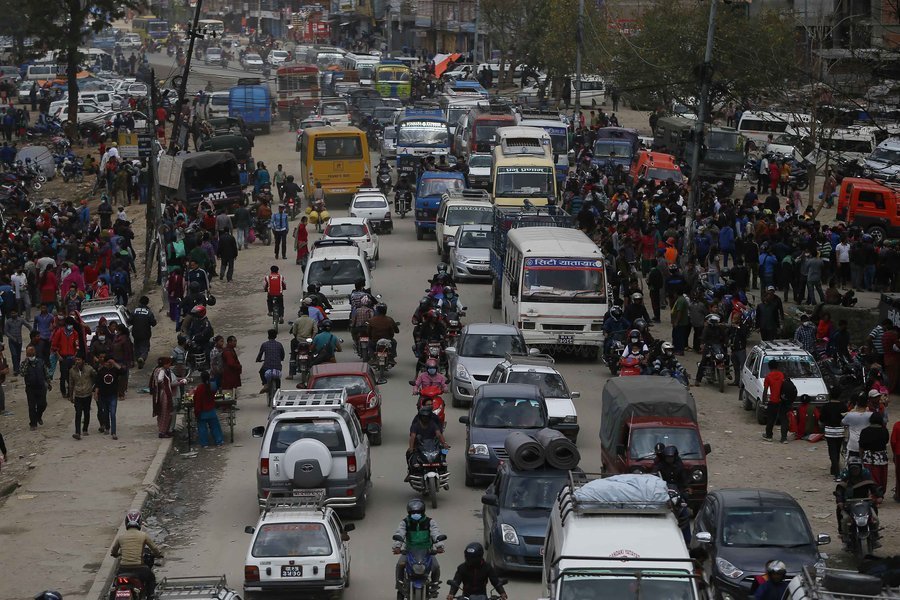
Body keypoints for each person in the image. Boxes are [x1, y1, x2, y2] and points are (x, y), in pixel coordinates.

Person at [393, 498, 445, 591]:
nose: (415, 514)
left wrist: (439, 546)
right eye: (413, 512)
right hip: (409, 551)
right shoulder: (405, 522)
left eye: (418, 512)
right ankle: (399, 584)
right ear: (409, 513)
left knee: (436, 567)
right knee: (400, 564)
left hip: (427, 551)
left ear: (423, 512)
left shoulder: (430, 522)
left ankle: (434, 584)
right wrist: (397, 546)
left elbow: (435, 533)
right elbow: (400, 533)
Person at [110, 510, 163, 597]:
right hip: (139, 569)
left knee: (115, 584)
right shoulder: (143, 535)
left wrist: (116, 554)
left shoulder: (121, 537)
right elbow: (154, 548)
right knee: (151, 579)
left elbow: (113, 551)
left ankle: (111, 596)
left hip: (123, 569)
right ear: (139, 523)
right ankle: (151, 596)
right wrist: (158, 554)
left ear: (126, 523)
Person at [834, 457, 883, 540]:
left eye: (856, 468)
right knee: (845, 518)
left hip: (865, 503)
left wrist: (879, 496)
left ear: (860, 468)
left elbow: (874, 488)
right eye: (852, 468)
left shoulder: (866, 478)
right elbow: (839, 492)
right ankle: (843, 534)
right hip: (849, 504)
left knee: (875, 518)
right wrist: (840, 502)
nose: (855, 470)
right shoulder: (845, 478)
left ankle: (874, 533)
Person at [762, 360, 794, 443]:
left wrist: (764, 401)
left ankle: (769, 436)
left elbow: (765, 390)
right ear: (777, 366)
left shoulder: (768, 376)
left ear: (769, 367)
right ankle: (784, 438)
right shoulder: (782, 375)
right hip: (783, 401)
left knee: (771, 419)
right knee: (784, 420)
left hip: (773, 401)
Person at [21, 344, 50, 431]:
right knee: (32, 407)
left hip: (41, 387)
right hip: (30, 388)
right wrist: (27, 362)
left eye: (32, 353)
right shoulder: (24, 363)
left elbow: (46, 373)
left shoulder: (41, 362)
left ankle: (38, 416)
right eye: (29, 354)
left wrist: (48, 383)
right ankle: (33, 424)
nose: (31, 355)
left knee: (43, 404)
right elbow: (22, 373)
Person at [96, 355, 125, 439]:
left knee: (112, 413)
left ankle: (114, 432)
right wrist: (96, 393)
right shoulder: (101, 371)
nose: (109, 364)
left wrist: (115, 363)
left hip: (113, 395)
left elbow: (123, 371)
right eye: (108, 362)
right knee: (105, 412)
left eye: (110, 362)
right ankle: (107, 427)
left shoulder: (115, 370)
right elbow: (98, 383)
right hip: (103, 395)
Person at [192, 370, 224, 447]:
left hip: (202, 412)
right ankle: (219, 441)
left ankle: (204, 444)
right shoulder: (212, 386)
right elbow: (215, 390)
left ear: (201, 379)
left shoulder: (200, 388)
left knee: (202, 428)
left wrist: (196, 412)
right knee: (215, 427)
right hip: (211, 411)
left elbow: (197, 401)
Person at [819, 395, 848, 478]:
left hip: (829, 431)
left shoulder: (826, 406)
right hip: (840, 431)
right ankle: (835, 467)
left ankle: (835, 469)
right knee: (837, 449)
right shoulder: (843, 406)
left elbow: (821, 418)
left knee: (832, 450)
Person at [859, 412, 889, 491]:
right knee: (882, 477)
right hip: (882, 458)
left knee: (872, 478)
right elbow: (886, 441)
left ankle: (874, 493)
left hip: (869, 458)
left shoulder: (865, 431)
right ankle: (881, 493)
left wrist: (861, 459)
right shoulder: (884, 431)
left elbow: (861, 447)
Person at [68, 355, 96, 440]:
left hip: (87, 394)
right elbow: (71, 384)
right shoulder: (72, 370)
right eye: (76, 360)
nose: (77, 361)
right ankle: (77, 432)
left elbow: (96, 377)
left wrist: (92, 387)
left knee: (86, 412)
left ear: (83, 360)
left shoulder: (89, 369)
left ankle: (85, 429)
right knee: (78, 413)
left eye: (79, 359)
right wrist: (71, 395)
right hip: (78, 395)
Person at [150, 356, 179, 438]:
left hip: (159, 394)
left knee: (162, 412)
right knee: (165, 413)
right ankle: (163, 432)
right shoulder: (162, 371)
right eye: (169, 364)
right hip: (164, 394)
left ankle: (163, 430)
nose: (169, 365)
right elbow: (160, 380)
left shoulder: (157, 370)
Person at [131, 296, 157, 369]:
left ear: (139, 301)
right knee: (145, 347)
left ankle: (138, 359)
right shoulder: (149, 312)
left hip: (135, 333)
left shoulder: (134, 311)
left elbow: (129, 321)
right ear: (147, 303)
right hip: (146, 333)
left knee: (137, 346)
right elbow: (153, 323)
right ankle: (142, 357)